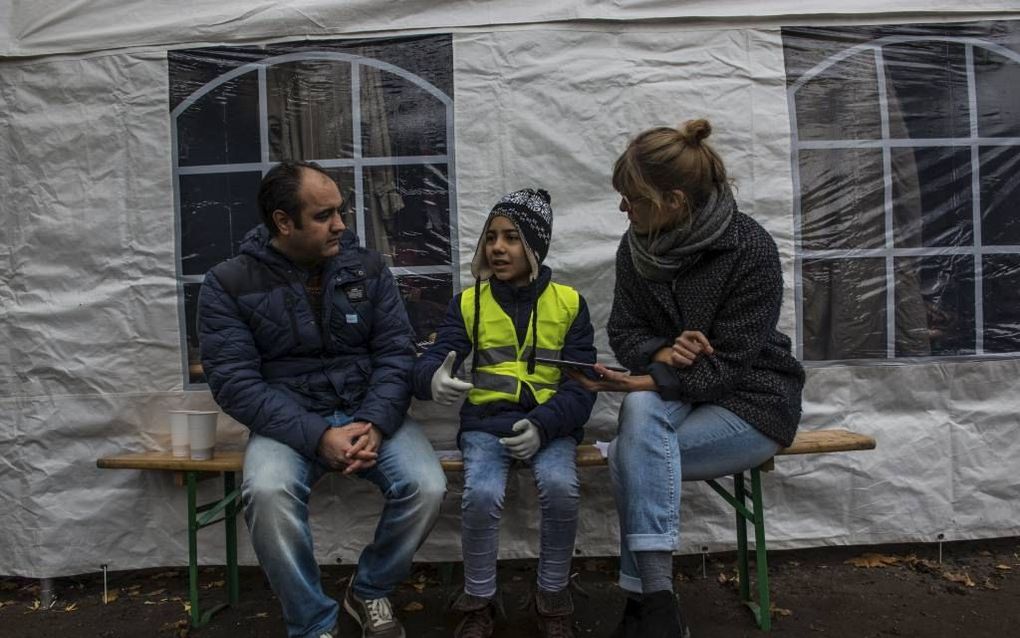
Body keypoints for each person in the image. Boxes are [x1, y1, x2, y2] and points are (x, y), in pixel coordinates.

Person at [569, 120, 805, 638]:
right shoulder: (636, 248)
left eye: (632, 199)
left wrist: (639, 380)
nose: (623, 210)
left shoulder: (749, 249)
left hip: (754, 402)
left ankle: (644, 603)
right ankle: (659, 606)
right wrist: (662, 350)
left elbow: (728, 368)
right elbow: (626, 332)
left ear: (674, 200)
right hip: (675, 397)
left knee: (635, 448)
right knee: (640, 425)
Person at [197, 160, 446, 638]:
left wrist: (374, 421)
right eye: (324, 215)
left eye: (342, 211)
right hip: (290, 419)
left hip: (366, 410)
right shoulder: (228, 284)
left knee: (426, 487)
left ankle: (369, 590)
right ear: (283, 222)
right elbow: (234, 383)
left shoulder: (369, 269)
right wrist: (318, 436)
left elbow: (396, 354)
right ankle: (312, 623)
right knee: (267, 492)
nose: (341, 225)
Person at [411, 189, 597, 638]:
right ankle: (479, 597)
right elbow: (440, 353)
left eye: (511, 237)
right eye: (491, 237)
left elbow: (583, 385)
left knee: (560, 487)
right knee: (480, 495)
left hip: (551, 427)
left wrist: (543, 424)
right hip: (485, 426)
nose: (496, 247)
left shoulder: (569, 303)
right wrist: (430, 376)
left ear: (535, 246)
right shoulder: (469, 303)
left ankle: (551, 595)